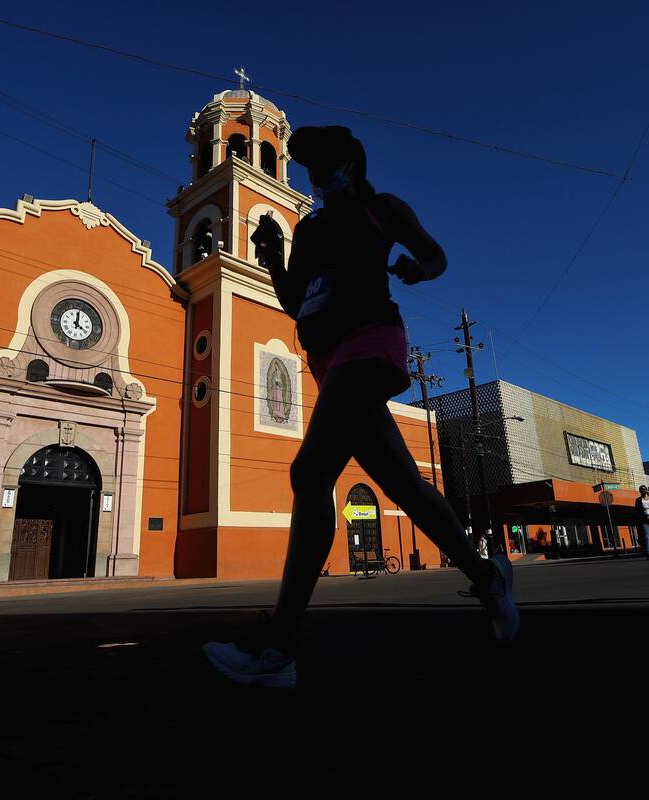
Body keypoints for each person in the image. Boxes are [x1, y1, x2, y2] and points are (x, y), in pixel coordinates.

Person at [203, 126, 519, 688]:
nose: (317, 173)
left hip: (370, 340)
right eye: (309, 167)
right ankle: (487, 576)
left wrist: (419, 270)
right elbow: (295, 300)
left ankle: (279, 649)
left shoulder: (382, 207)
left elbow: (434, 253)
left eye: (327, 161)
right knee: (404, 484)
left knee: (310, 471)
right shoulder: (311, 226)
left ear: (351, 162)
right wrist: (276, 260)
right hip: (326, 356)